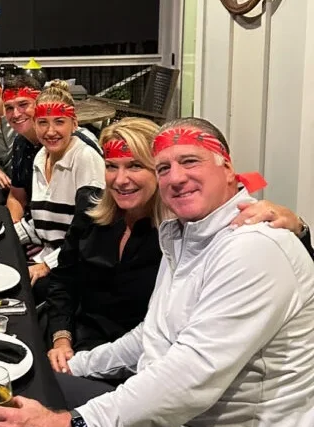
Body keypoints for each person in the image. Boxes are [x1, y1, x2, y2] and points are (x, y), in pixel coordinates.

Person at [0, 117, 314, 427]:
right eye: (164, 165)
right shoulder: (186, 235)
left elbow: (189, 379)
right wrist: (74, 368)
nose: (174, 177)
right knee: (28, 388)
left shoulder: (253, 249)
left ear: (229, 169)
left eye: (189, 161)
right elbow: (151, 337)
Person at [46, 118, 314, 374]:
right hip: (84, 350)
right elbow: (63, 281)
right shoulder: (91, 209)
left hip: (142, 371)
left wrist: (298, 229)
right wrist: (62, 339)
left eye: (136, 166)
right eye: (111, 166)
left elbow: (183, 363)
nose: (120, 179)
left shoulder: (185, 233)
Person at [13, 84, 105, 291]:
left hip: (73, 266)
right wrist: (6, 236)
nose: (50, 131)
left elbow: (90, 230)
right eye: (43, 122)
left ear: (74, 124)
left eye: (59, 122)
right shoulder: (40, 157)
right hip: (44, 255)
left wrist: (47, 265)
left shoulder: (85, 158)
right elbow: (41, 221)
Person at [4, 76, 100, 225]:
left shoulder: (83, 149)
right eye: (9, 108)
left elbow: (93, 218)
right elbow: (17, 196)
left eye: (23, 104)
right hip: (38, 227)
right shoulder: (23, 144)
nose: (16, 114)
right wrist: (14, 231)